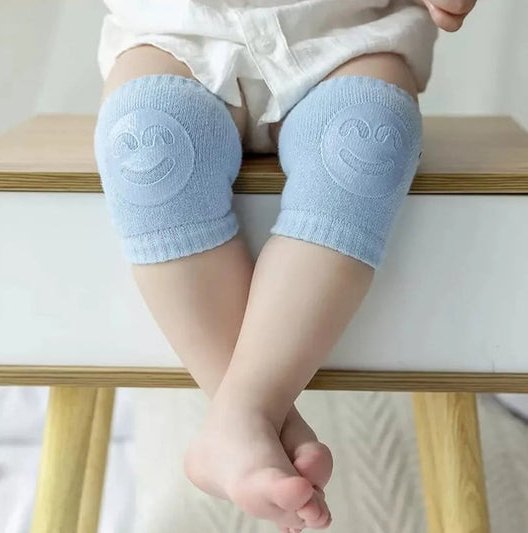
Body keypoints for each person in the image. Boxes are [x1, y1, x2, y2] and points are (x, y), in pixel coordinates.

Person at [94, 1, 476, 530]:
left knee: (365, 137)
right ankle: (251, 416)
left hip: (349, 31)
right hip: (174, 29)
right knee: (148, 137)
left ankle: (242, 418)